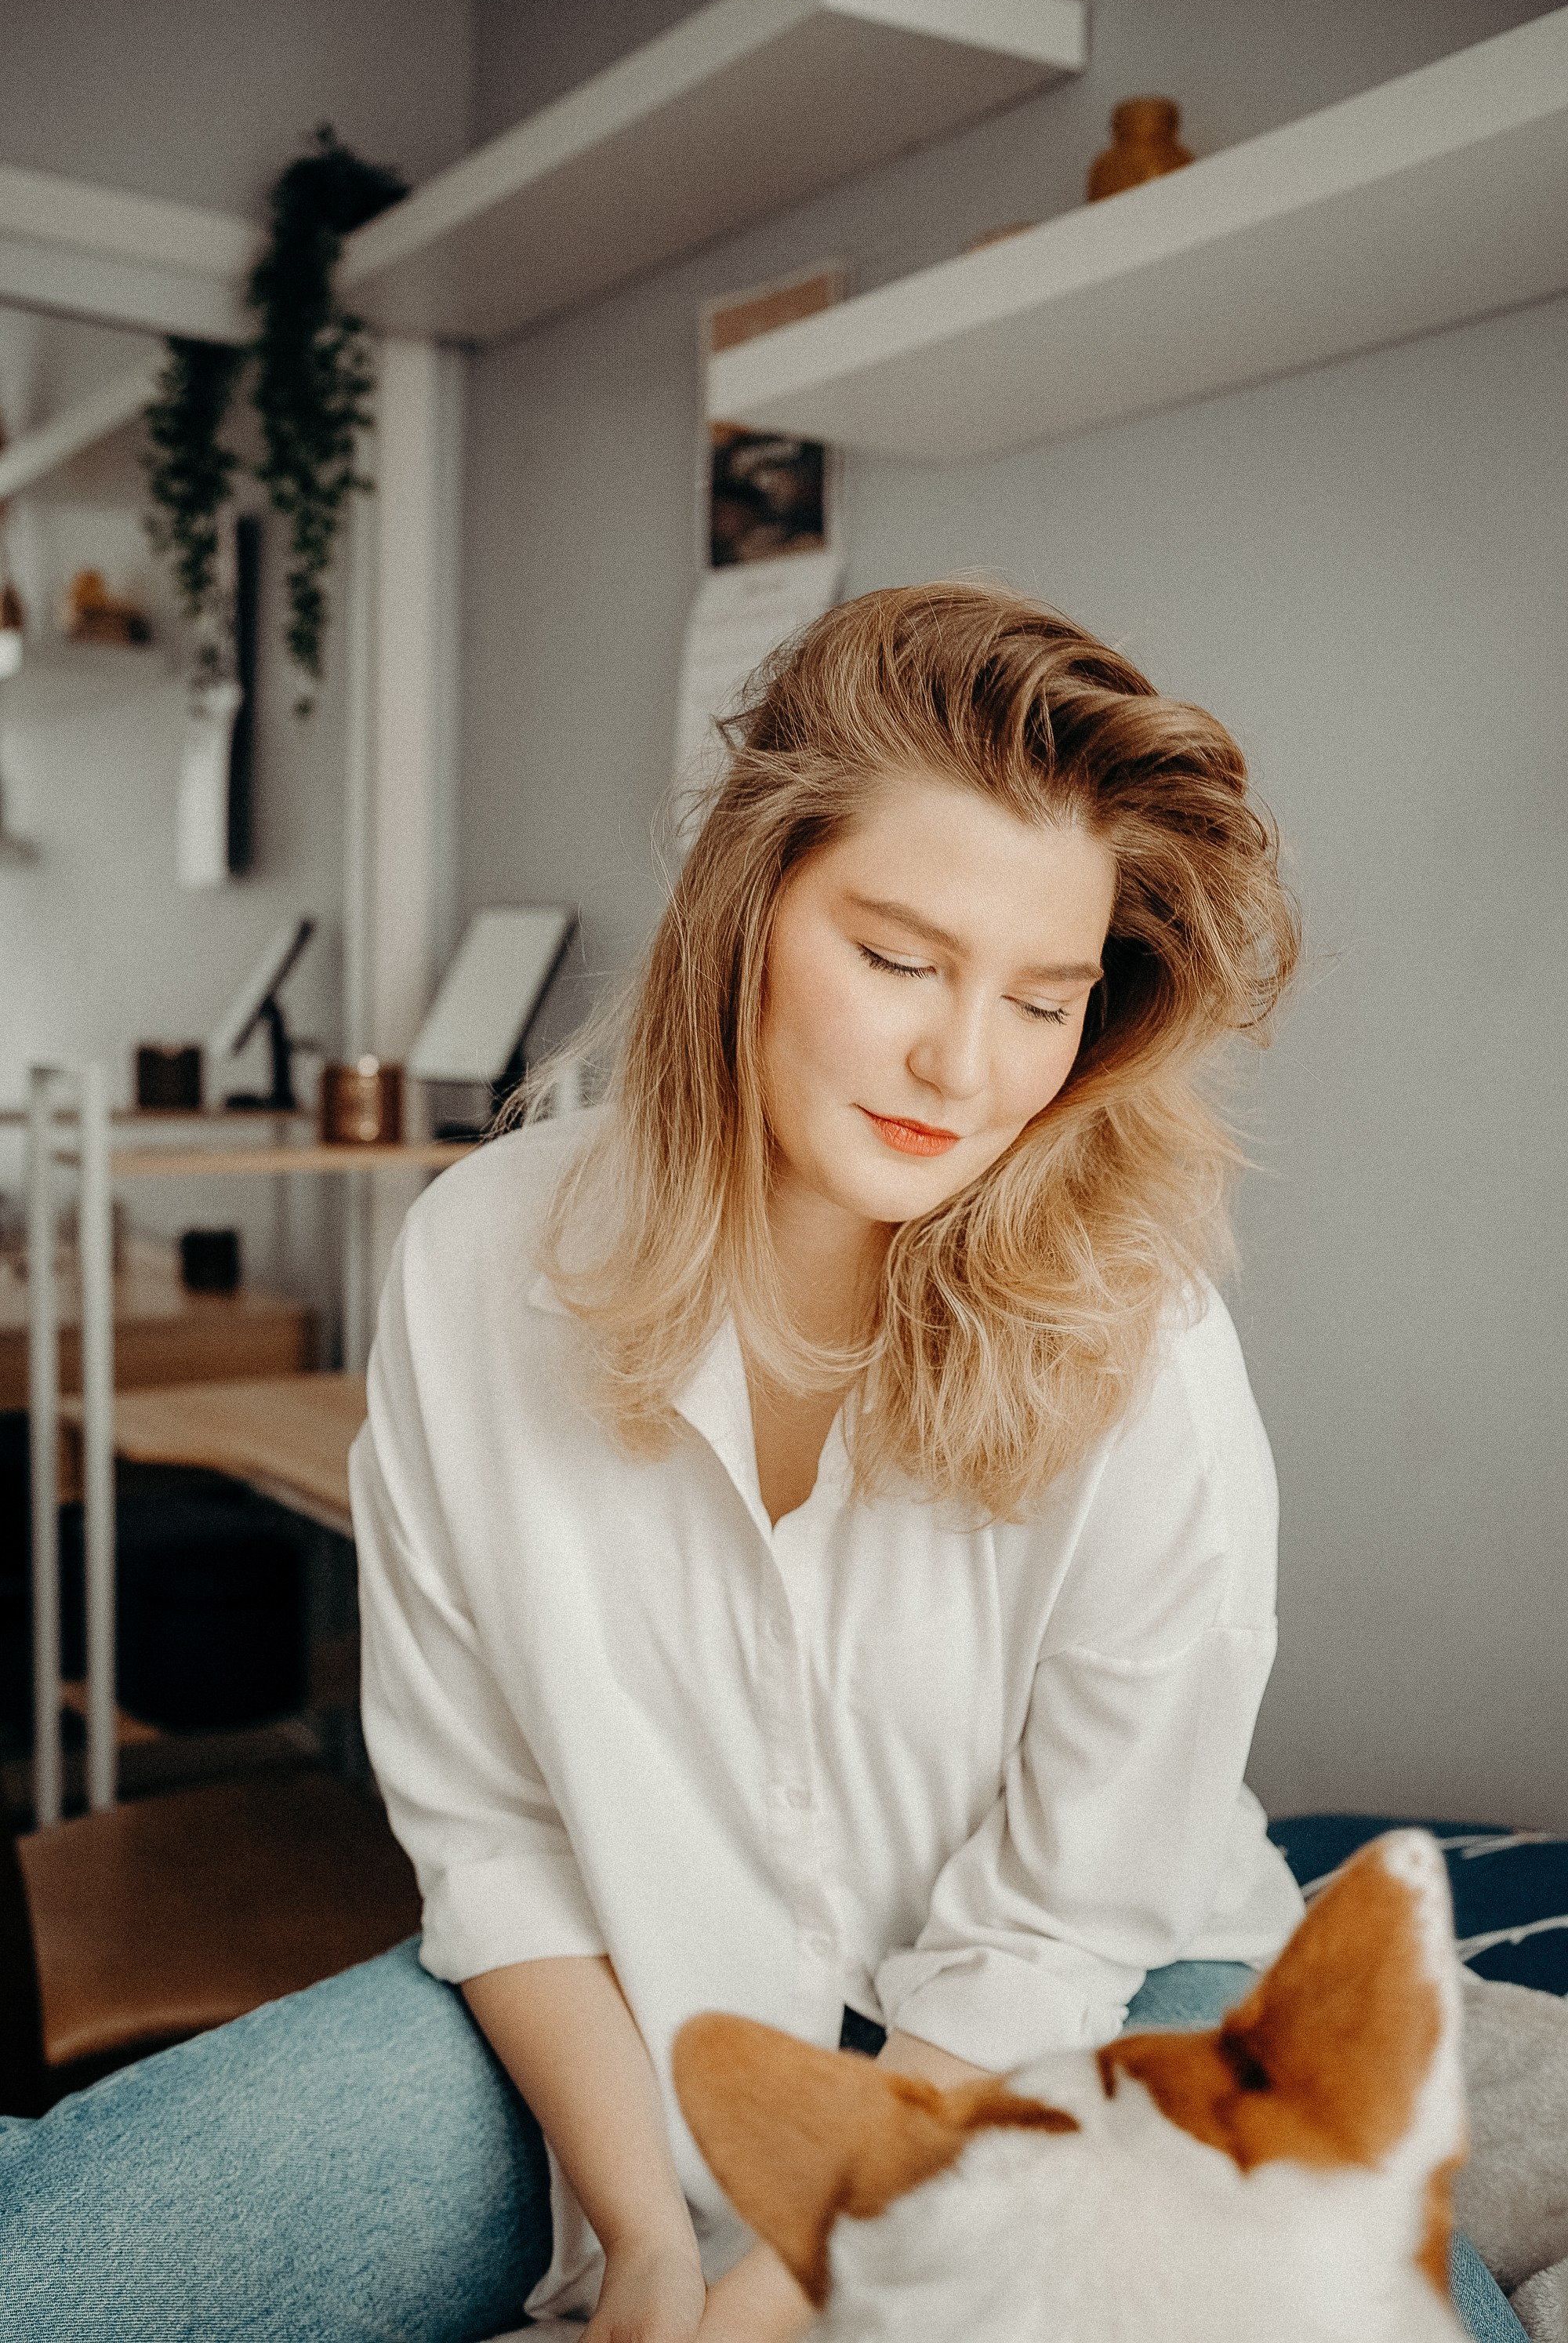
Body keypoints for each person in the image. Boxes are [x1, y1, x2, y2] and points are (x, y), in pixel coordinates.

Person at [0, 583, 1526, 2343]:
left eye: (1044, 999)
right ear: (749, 906)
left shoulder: (1142, 1333)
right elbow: (491, 1834)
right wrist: (650, 2247)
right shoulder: (479, 1261)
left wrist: (795, 2278)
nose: (965, 1067)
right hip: (630, 2008)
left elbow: (1060, 1918)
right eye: (899, 961)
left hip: (1092, 2007)